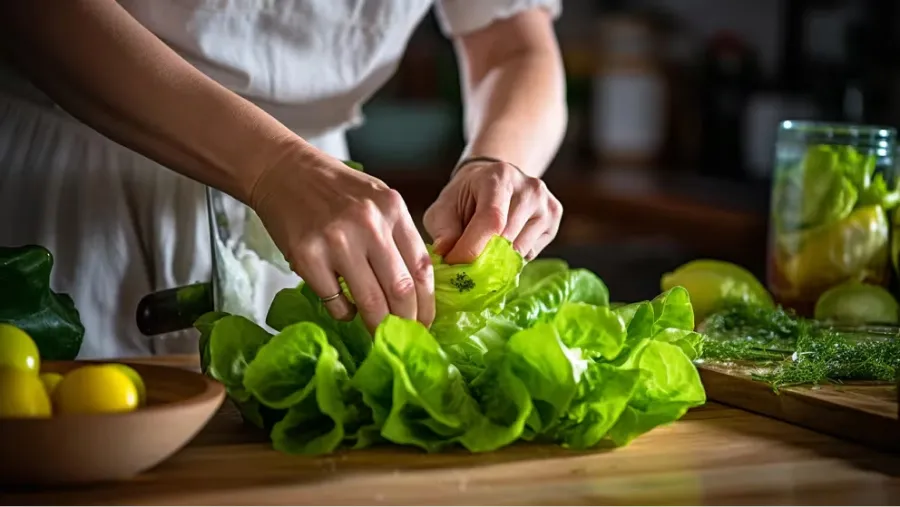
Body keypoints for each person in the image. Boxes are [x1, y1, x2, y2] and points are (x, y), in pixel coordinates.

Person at [0, 0, 566, 358]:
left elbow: (513, 44)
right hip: (69, 166)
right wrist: (271, 166)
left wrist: (497, 161)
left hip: (318, 202)